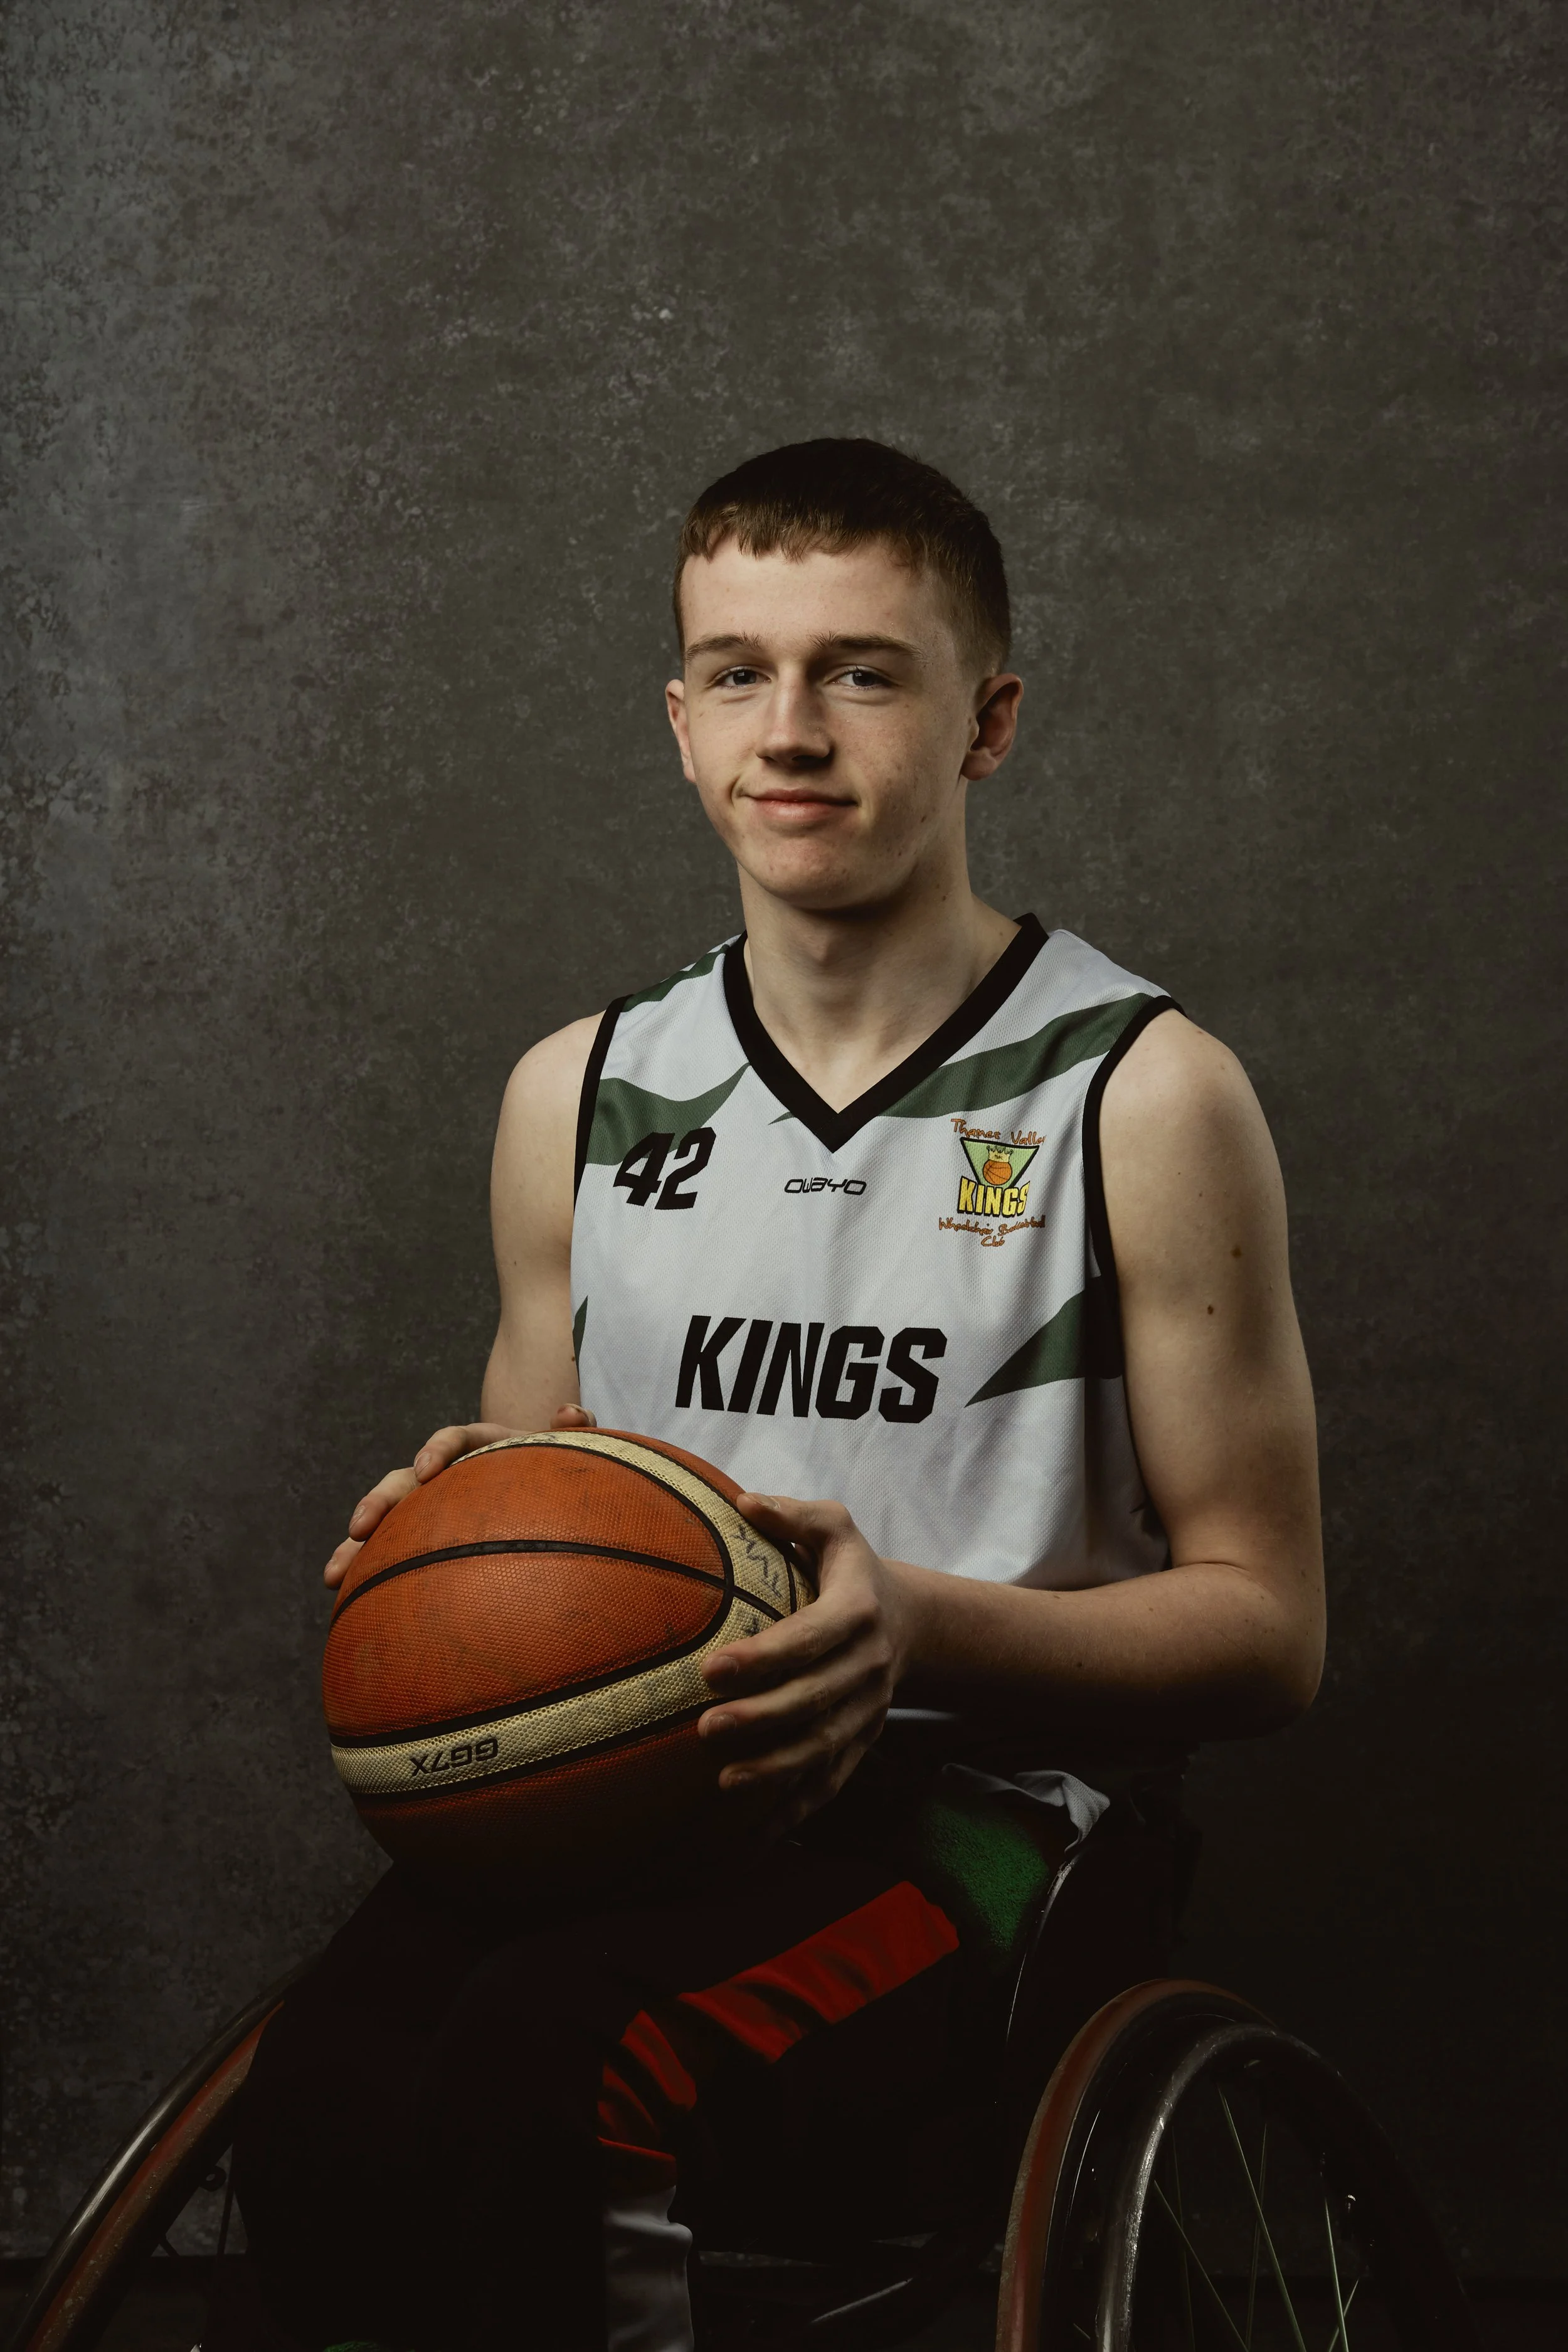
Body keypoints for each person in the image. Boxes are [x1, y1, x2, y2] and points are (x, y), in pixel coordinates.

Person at [230, 438, 1323, 2352]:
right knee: (323, 2080)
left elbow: (1270, 1628)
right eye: (737, 669)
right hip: (637, 1782)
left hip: (985, 1808)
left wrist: (913, 1618)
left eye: (861, 670)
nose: (791, 728)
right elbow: (540, 1485)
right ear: (676, 720)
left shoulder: (1137, 1093)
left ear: (984, 719)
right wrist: (463, 1533)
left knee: (560, 2069)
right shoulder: (580, 1089)